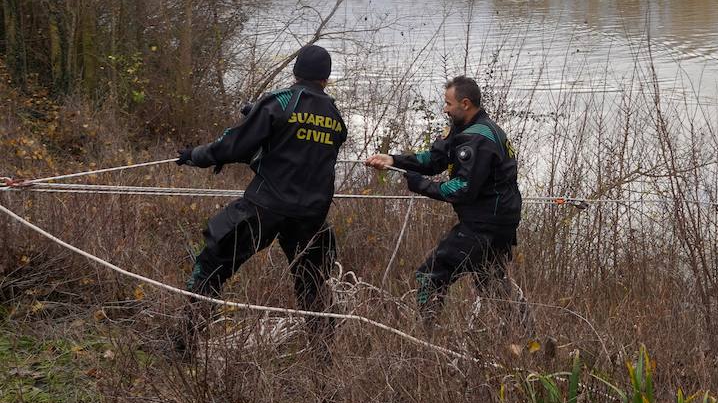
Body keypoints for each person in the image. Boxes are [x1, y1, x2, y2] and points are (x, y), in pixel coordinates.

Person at [174, 44, 346, 353]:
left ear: (296, 72)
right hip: (311, 216)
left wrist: (194, 156)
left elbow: (234, 145)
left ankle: (185, 344)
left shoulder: (280, 102)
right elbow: (305, 155)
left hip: (265, 207)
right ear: (326, 78)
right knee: (313, 285)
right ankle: (324, 361)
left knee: (211, 263)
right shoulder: (335, 115)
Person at [366, 75, 525, 329]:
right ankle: (524, 335)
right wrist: (394, 161)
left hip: (485, 225)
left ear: (465, 103)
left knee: (430, 275)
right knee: (492, 282)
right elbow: (434, 159)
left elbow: (462, 188)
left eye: (448, 104)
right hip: (496, 222)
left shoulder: (478, 139)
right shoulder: (462, 129)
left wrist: (421, 185)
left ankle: (426, 334)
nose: (445, 108)